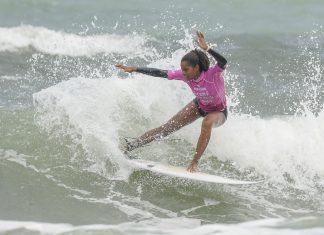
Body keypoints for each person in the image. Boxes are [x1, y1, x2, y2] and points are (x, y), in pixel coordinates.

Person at [116, 31, 227, 173]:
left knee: (207, 123)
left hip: (218, 111)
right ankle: (129, 146)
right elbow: (160, 72)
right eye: (182, 69)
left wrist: (207, 49)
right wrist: (136, 69)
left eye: (186, 69)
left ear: (197, 67)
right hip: (199, 105)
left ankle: (194, 163)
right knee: (167, 128)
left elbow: (223, 62)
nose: (183, 72)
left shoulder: (212, 73)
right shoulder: (185, 75)